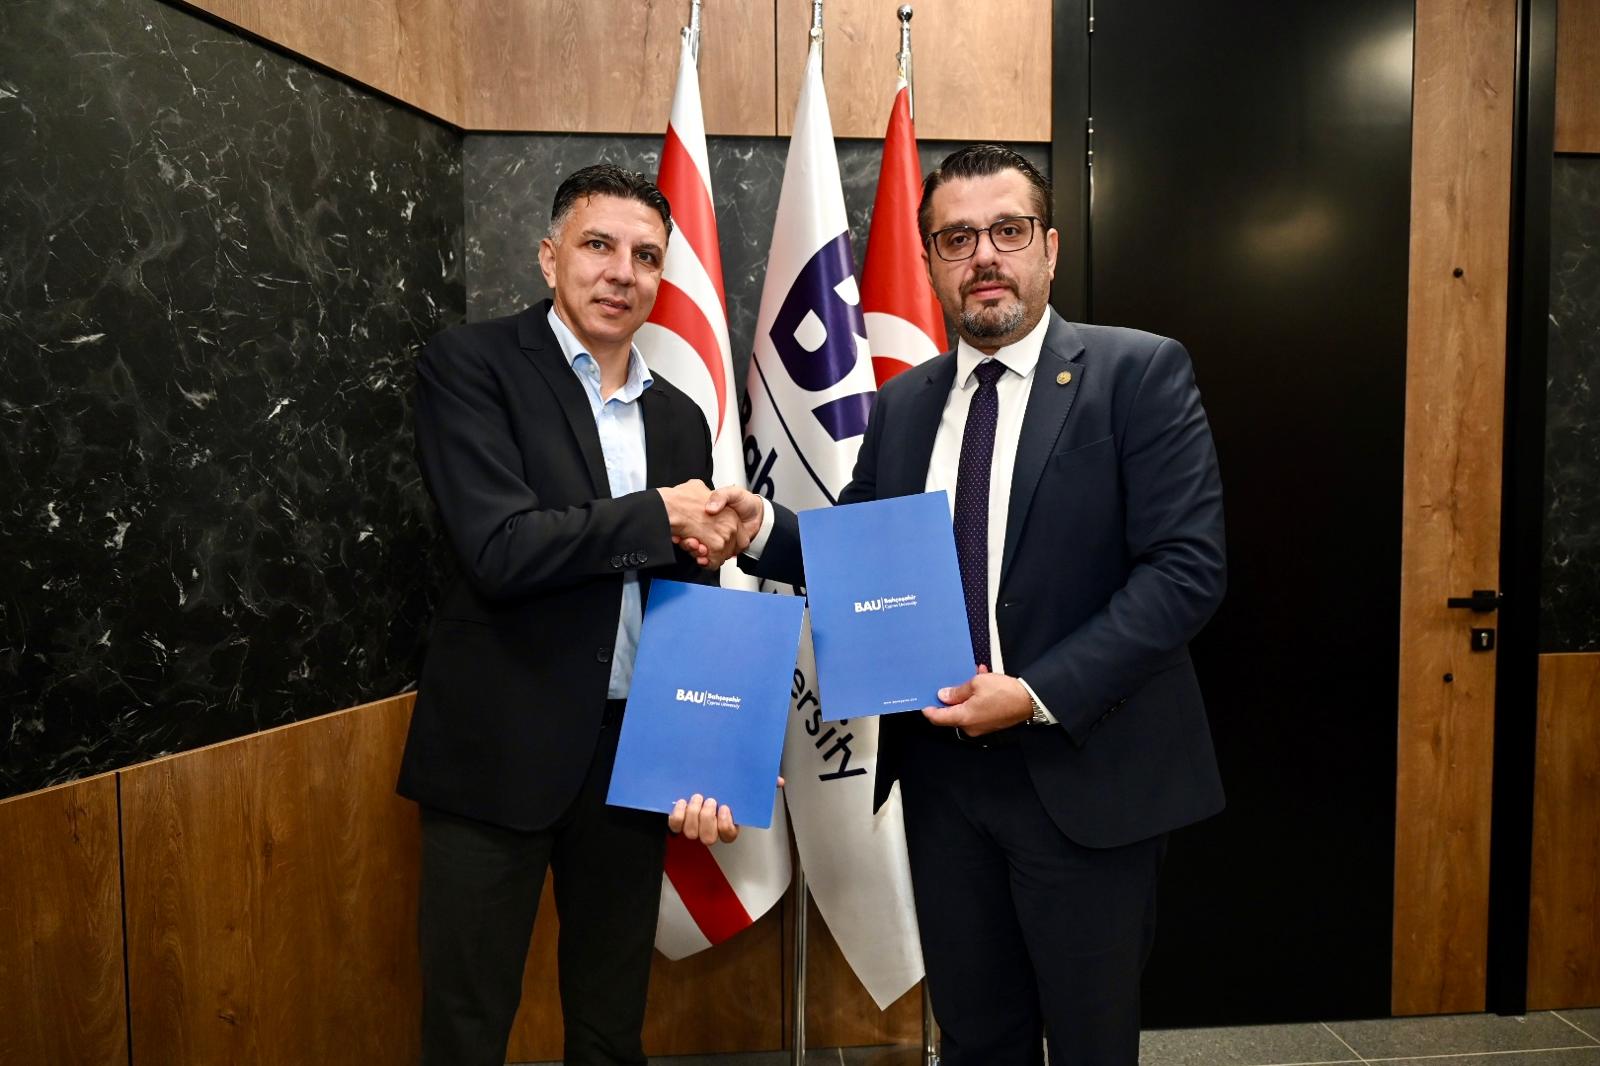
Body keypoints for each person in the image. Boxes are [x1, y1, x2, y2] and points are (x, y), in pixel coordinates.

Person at [697, 144, 1227, 1065]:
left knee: (1093, 1042)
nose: (984, 255)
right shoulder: (903, 404)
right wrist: (761, 528)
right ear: (932, 261)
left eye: (1007, 231)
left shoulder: (1136, 372)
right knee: (977, 1037)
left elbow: (1185, 571)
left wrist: (1034, 693)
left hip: (1085, 769)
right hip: (944, 781)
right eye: (956, 238)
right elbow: (857, 553)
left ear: (1049, 247)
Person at [397, 163, 751, 1066]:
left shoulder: (680, 417)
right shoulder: (470, 366)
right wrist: (658, 515)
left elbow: (690, 594)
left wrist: (709, 747)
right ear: (550, 256)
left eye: (646, 256)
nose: (621, 272)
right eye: (598, 245)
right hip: (497, 754)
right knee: (467, 1028)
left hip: (633, 757)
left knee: (610, 1025)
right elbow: (501, 548)